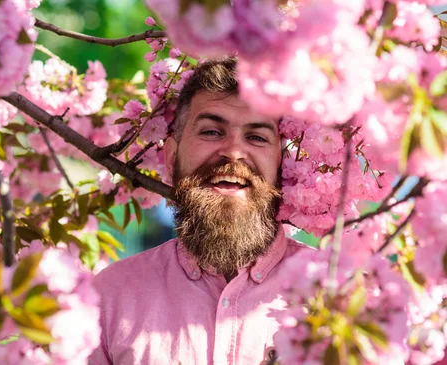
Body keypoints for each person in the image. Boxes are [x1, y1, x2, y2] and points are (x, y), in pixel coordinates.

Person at [89, 57, 310, 365]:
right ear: (171, 158)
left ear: (281, 166)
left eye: (257, 137)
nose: (233, 151)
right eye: (211, 132)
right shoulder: (108, 300)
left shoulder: (341, 295)